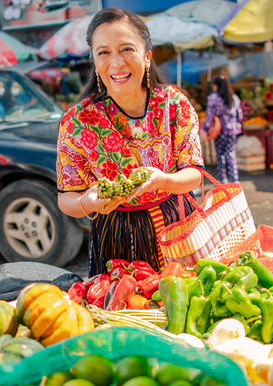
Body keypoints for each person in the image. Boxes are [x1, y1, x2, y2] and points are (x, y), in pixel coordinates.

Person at [56, 8, 203, 276]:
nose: (117, 63)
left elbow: (194, 175)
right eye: (104, 53)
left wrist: (162, 180)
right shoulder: (77, 122)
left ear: (147, 57)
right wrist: (87, 202)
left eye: (126, 49)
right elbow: (66, 196)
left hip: (176, 227)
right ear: (95, 61)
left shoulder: (174, 104)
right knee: (127, 312)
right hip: (115, 238)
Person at [201, 75, 243, 184]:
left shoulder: (213, 98)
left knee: (220, 154)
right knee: (231, 154)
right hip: (233, 131)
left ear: (216, 86)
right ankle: (235, 180)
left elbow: (209, 115)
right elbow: (240, 116)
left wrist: (204, 129)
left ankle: (222, 179)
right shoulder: (234, 98)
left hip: (219, 131)